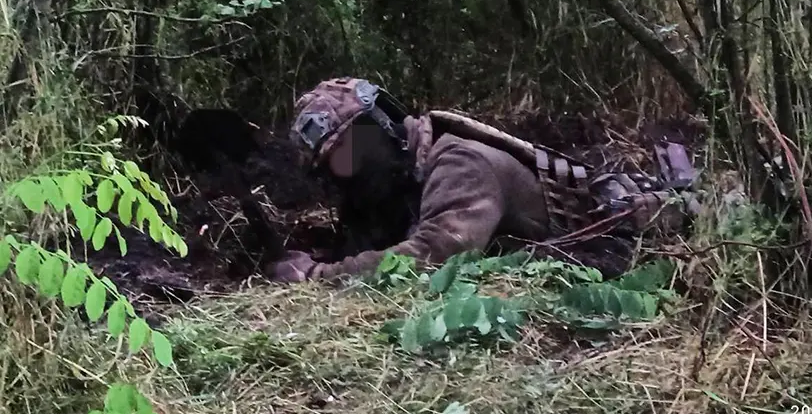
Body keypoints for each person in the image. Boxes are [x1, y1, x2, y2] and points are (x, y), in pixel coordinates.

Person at [266, 77, 700, 283]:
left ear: (384, 125)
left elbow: (436, 253)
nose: (350, 169)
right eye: (336, 164)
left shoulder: (458, 162)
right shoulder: (401, 175)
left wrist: (317, 277)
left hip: (625, 241)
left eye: (353, 150)